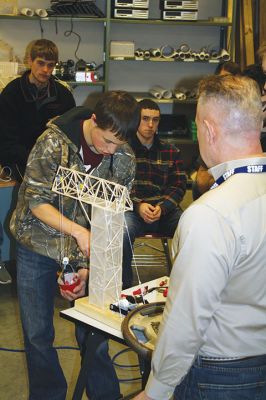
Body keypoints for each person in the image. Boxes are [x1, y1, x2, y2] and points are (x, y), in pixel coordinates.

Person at [133, 74, 266, 400]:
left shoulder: (211, 214)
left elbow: (186, 322)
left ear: (208, 130)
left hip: (220, 376)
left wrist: (155, 390)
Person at [10, 91, 140, 400]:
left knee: (94, 331)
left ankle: (105, 395)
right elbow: (36, 202)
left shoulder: (123, 158)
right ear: (93, 120)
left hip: (85, 247)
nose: (110, 151)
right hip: (36, 244)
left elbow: (109, 219)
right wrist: (79, 235)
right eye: (106, 141)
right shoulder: (52, 143)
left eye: (118, 144)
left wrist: (87, 267)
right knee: (38, 334)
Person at [122, 99, 187, 289]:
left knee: (190, 228)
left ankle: (183, 288)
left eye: (155, 120)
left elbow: (179, 185)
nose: (150, 125)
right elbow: (118, 185)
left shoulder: (171, 151)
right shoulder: (123, 149)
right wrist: (138, 205)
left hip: (163, 210)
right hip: (133, 210)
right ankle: (123, 289)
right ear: (136, 120)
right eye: (145, 119)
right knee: (121, 230)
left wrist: (163, 207)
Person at [0, 38, 76, 181]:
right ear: (30, 61)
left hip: (54, 163)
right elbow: (6, 143)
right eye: (40, 63)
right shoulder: (11, 94)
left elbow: (71, 138)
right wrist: (38, 160)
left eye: (50, 65)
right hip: (18, 161)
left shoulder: (64, 96)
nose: (45, 70)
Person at [192, 60, 241, 199]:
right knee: (199, 183)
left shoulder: (242, 107)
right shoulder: (209, 105)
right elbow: (203, 179)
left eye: (230, 79)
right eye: (221, 79)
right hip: (217, 157)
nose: (224, 84)